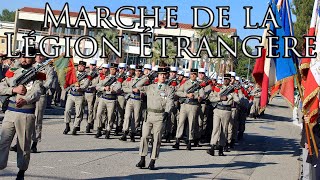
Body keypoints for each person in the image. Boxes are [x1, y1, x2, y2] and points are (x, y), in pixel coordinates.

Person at [0, 47, 43, 180]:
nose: (24, 59)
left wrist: (25, 99)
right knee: (3, 142)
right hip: (10, 112)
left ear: (33, 58)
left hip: (26, 113)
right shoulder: (12, 72)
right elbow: (1, 87)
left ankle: (21, 171)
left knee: (23, 145)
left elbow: (37, 92)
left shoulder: (38, 74)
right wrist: (13, 89)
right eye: (22, 56)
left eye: (28, 57)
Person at [135, 67, 174, 170]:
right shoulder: (151, 87)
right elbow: (138, 85)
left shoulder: (169, 89)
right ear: (157, 76)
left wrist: (167, 111)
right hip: (149, 115)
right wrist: (147, 77)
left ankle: (152, 161)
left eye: (165, 74)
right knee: (144, 137)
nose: (163, 76)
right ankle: (142, 159)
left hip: (159, 116)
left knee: (156, 139)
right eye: (161, 74)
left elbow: (170, 101)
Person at [207, 73, 239, 156]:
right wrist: (220, 98)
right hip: (218, 109)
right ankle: (212, 147)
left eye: (228, 79)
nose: (226, 80)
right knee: (215, 128)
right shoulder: (218, 88)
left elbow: (237, 100)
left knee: (224, 130)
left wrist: (234, 93)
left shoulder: (232, 90)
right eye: (225, 79)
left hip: (227, 111)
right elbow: (211, 98)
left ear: (230, 80)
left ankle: (221, 148)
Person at [173, 69, 204, 150]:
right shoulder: (185, 83)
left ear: (196, 75)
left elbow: (202, 95)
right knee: (181, 123)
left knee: (192, 124)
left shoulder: (199, 85)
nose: (193, 75)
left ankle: (190, 141)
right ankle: (177, 141)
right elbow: (178, 92)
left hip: (193, 105)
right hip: (184, 105)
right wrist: (186, 95)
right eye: (191, 74)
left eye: (194, 74)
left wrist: (196, 97)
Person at [31, 49, 54, 153]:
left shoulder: (48, 68)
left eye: (41, 56)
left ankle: (34, 143)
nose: (39, 57)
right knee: (24, 118)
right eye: (37, 55)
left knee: (37, 119)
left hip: (40, 95)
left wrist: (42, 87)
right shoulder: (30, 66)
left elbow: (49, 81)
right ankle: (19, 142)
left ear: (44, 57)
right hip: (28, 95)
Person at [63, 61, 90, 135]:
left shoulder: (87, 76)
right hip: (71, 95)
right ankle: (67, 125)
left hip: (80, 95)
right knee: (67, 110)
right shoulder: (73, 74)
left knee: (78, 112)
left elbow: (85, 85)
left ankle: (75, 127)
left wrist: (80, 88)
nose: (80, 67)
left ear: (84, 67)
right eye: (79, 66)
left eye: (82, 66)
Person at [95, 63, 121, 138]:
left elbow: (118, 87)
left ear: (116, 70)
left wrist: (113, 90)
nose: (112, 70)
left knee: (110, 116)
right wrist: (104, 88)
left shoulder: (118, 79)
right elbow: (98, 86)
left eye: (114, 69)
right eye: (111, 69)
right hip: (103, 98)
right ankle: (99, 129)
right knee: (99, 114)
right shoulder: (105, 78)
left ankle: (108, 130)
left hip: (112, 99)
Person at [120, 65, 143, 142]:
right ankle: (125, 132)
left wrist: (140, 91)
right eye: (136, 71)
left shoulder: (144, 80)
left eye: (139, 71)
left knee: (136, 118)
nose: (138, 72)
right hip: (130, 99)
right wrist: (132, 90)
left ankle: (133, 133)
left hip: (138, 100)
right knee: (127, 116)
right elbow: (123, 87)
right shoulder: (130, 79)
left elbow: (147, 90)